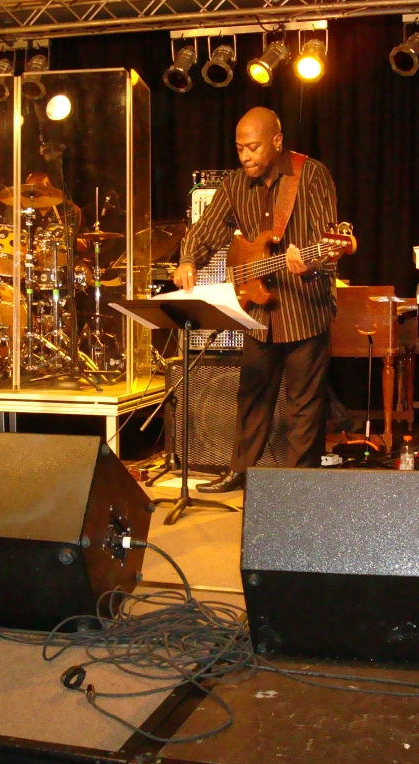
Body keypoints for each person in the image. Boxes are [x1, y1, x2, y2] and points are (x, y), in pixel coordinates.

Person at [174, 107, 339, 493]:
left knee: (303, 406)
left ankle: (297, 486)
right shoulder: (235, 184)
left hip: (304, 306)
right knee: (251, 396)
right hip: (257, 309)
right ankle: (241, 471)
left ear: (277, 142)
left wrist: (310, 265)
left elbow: (327, 243)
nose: (245, 156)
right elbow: (206, 229)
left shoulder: (310, 174)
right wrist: (188, 260)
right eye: (239, 148)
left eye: (253, 147)